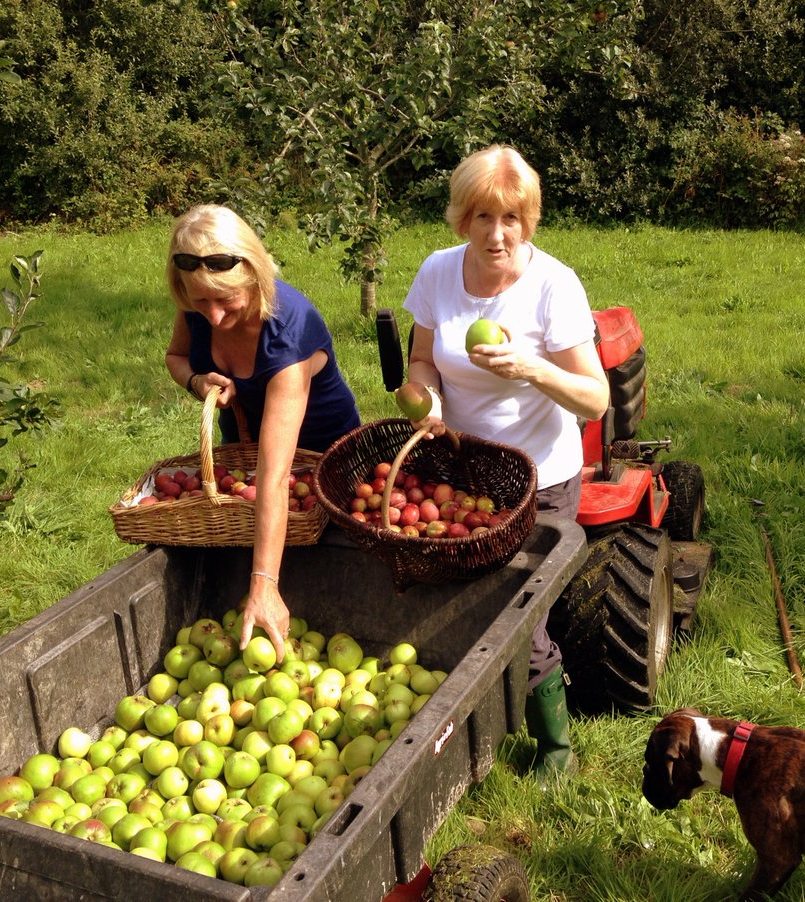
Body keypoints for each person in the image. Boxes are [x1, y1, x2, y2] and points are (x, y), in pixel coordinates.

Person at [401, 145, 609, 784]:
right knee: (463, 598)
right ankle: (469, 719)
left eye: (512, 218)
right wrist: (425, 404)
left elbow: (595, 397)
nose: (498, 234)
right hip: (462, 473)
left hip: (539, 479)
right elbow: (422, 364)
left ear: (530, 220)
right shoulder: (438, 273)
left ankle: (555, 746)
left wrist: (533, 369)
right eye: (483, 216)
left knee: (522, 613)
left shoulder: (554, 285)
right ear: (461, 218)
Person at [164, 204, 360, 663]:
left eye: (225, 302)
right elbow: (176, 358)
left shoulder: (287, 328)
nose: (211, 316)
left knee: (324, 569)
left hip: (325, 462)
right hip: (248, 456)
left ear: (252, 277)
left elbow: (276, 476)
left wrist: (265, 587)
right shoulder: (197, 304)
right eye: (200, 302)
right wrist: (198, 381)